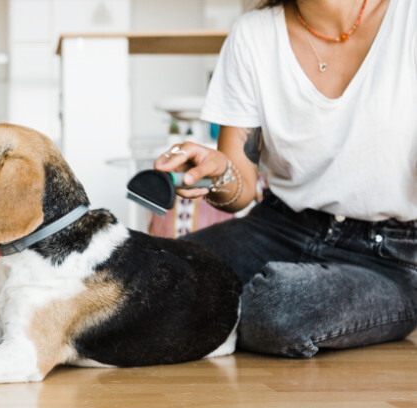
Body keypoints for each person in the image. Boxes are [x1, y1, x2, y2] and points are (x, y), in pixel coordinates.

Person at [153, 0, 416, 358]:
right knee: (155, 269)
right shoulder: (254, 34)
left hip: (389, 255)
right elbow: (241, 189)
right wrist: (218, 172)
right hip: (279, 228)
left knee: (278, 306)